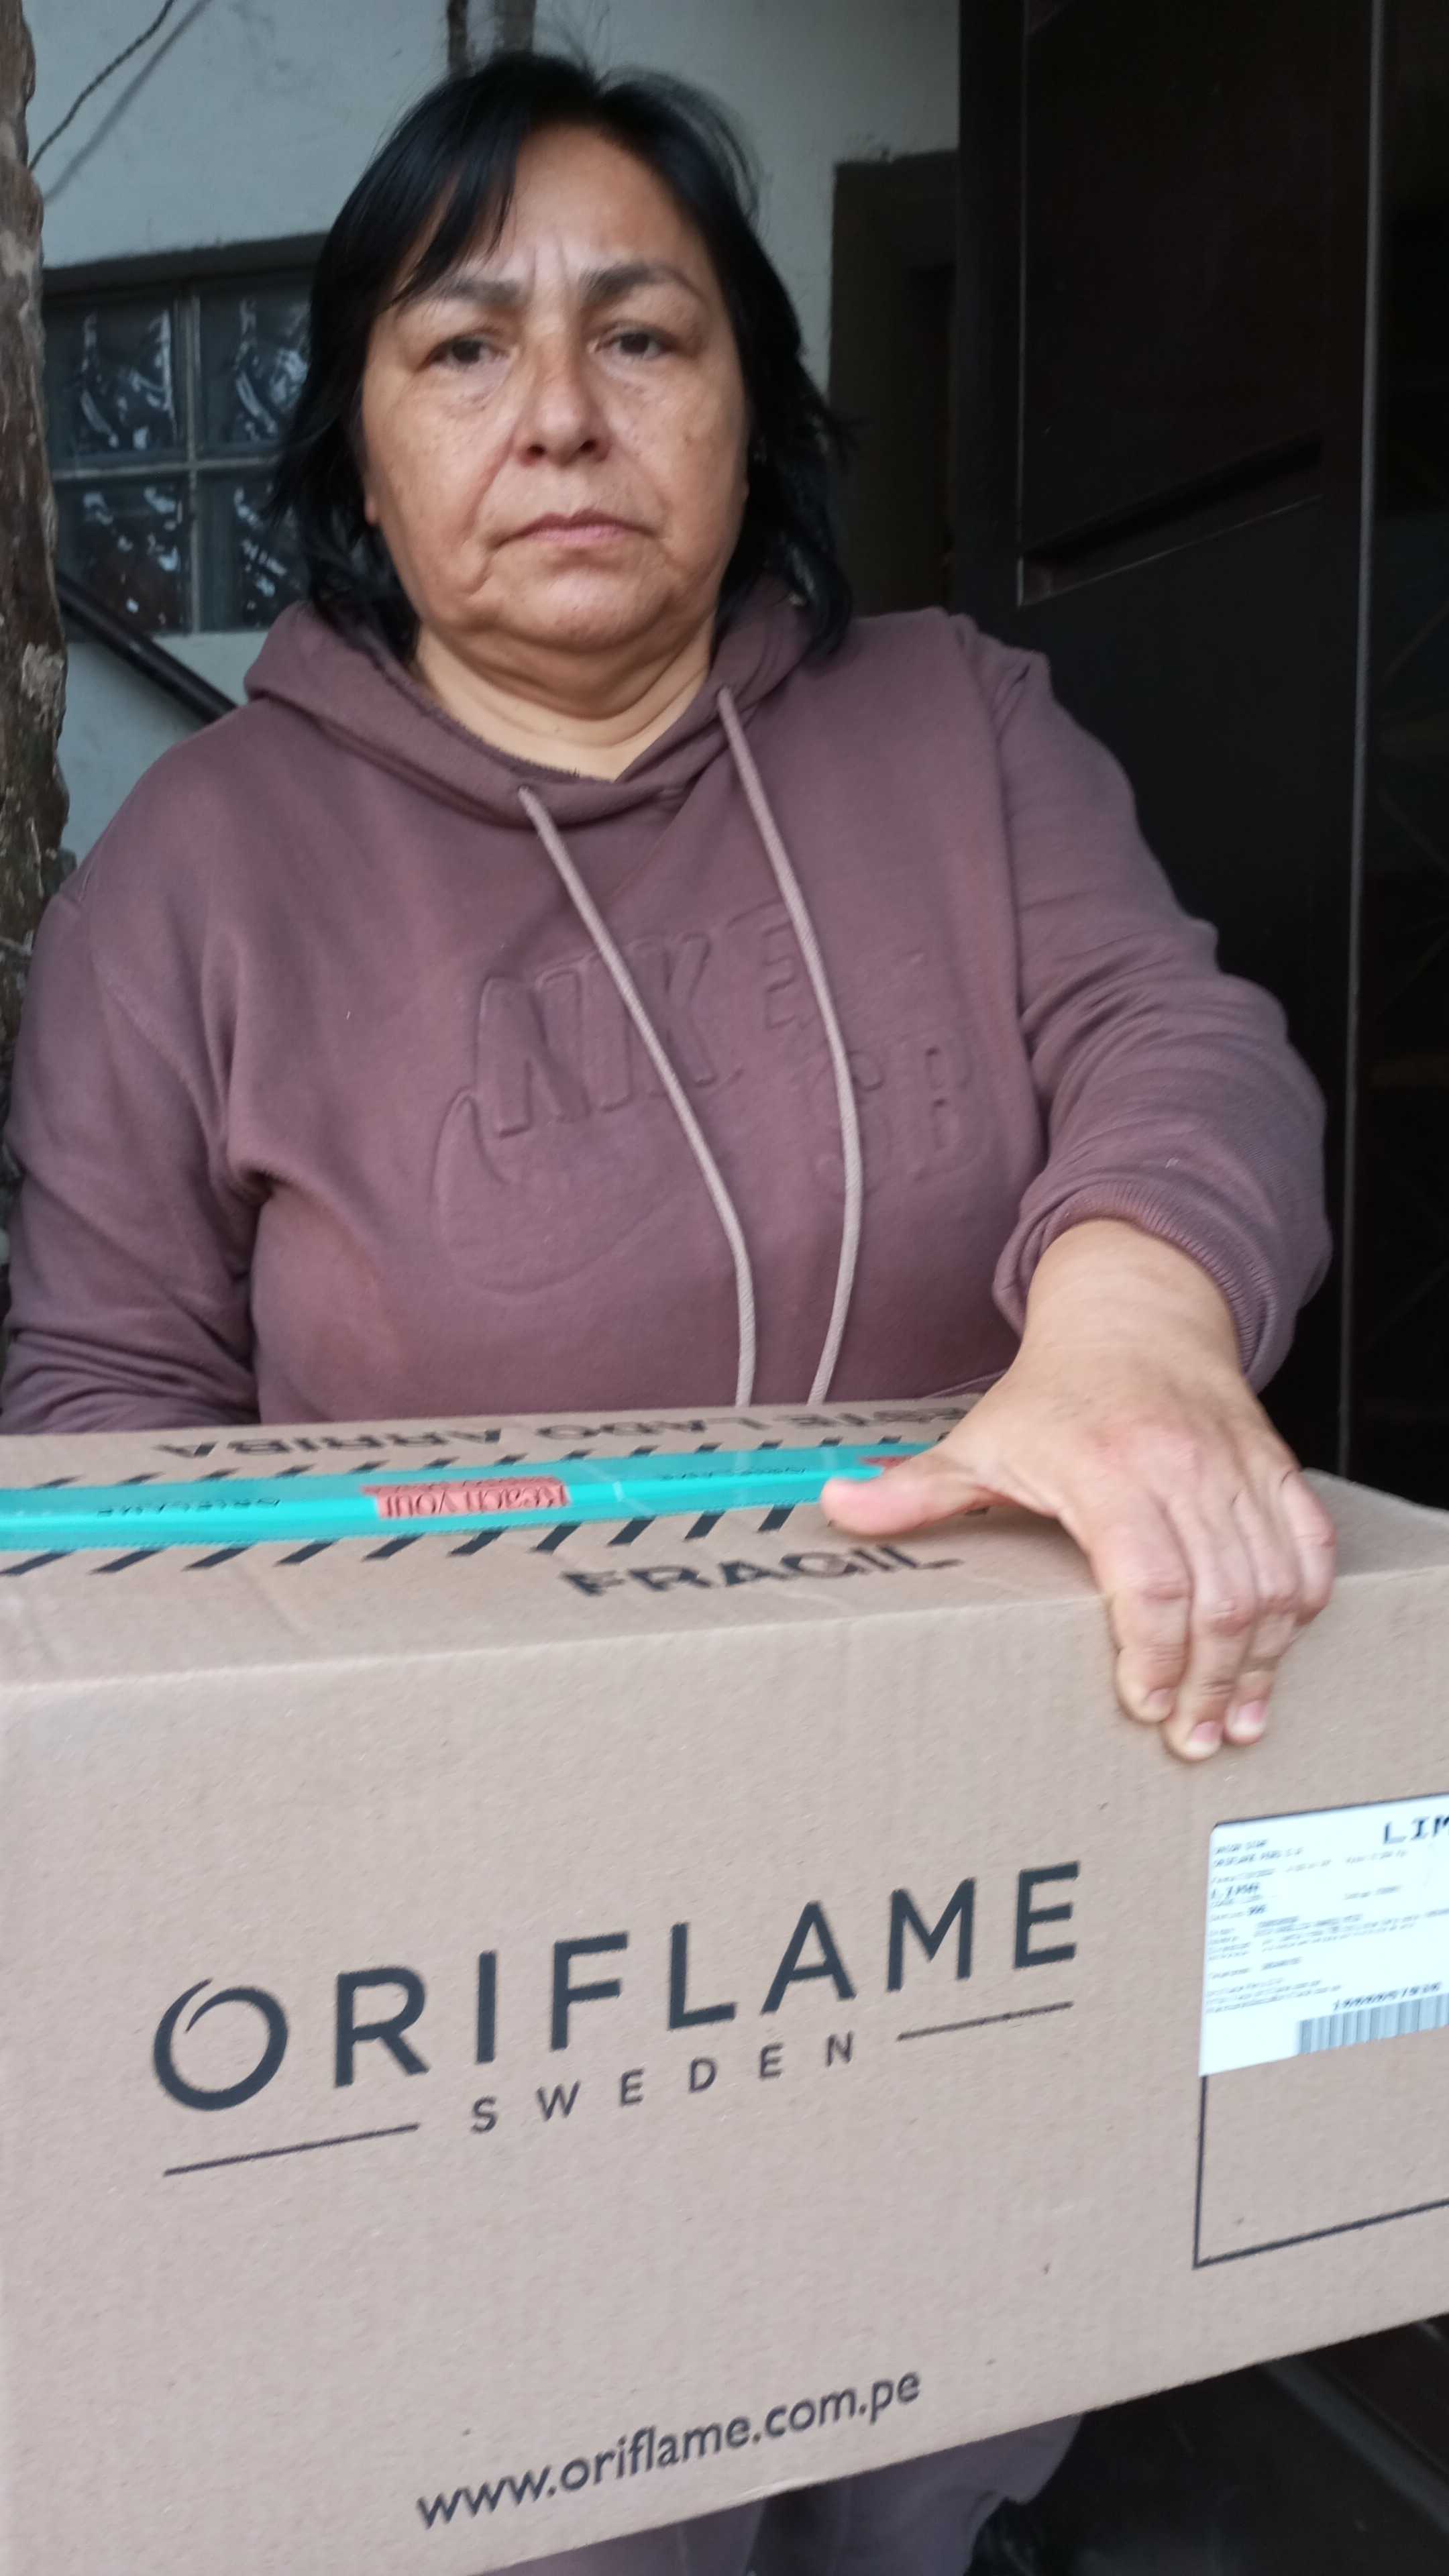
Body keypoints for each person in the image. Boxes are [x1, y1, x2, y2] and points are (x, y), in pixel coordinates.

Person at [1, 50, 1335, 2573]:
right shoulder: (193, 883)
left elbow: (1180, 1047)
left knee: (929, 2459)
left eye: (643, 333)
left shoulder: (960, 728)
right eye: (463, 345)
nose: (561, 415)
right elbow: (100, 1436)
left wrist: (1139, 1333)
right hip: (453, 1999)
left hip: (974, 1903)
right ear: (361, 443)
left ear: (752, 401)